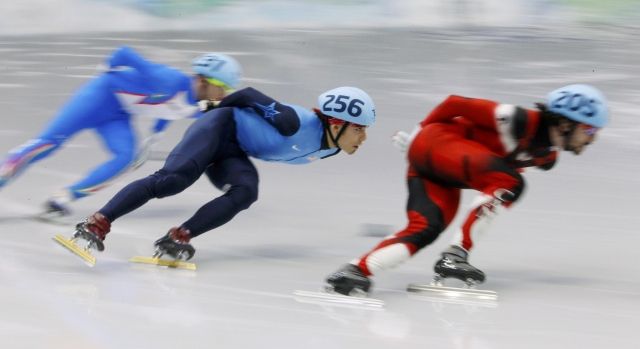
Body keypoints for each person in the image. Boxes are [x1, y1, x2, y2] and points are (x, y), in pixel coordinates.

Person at [325, 84, 609, 296]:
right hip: (435, 143)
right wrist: (420, 132)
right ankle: (455, 256)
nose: (592, 139)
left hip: (441, 169)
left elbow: (493, 180)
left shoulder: (547, 158)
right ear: (564, 121)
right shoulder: (519, 119)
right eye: (591, 130)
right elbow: (455, 103)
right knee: (512, 182)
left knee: (425, 228)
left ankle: (355, 271)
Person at [69, 85, 376, 260]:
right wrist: (214, 108)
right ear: (336, 124)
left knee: (245, 193)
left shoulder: (332, 146)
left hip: (234, 149)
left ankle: (179, 237)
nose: (363, 139)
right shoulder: (291, 121)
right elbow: (246, 94)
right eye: (360, 130)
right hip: (218, 128)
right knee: (173, 181)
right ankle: (98, 222)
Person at [0, 46, 242, 216]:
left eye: (227, 90)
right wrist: (105, 71)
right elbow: (124, 52)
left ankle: (63, 198)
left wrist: (154, 136)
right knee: (49, 144)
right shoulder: (168, 80)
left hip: (117, 116)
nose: (223, 95)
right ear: (203, 81)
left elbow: (169, 112)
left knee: (126, 158)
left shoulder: (199, 106)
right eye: (222, 88)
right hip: (98, 97)